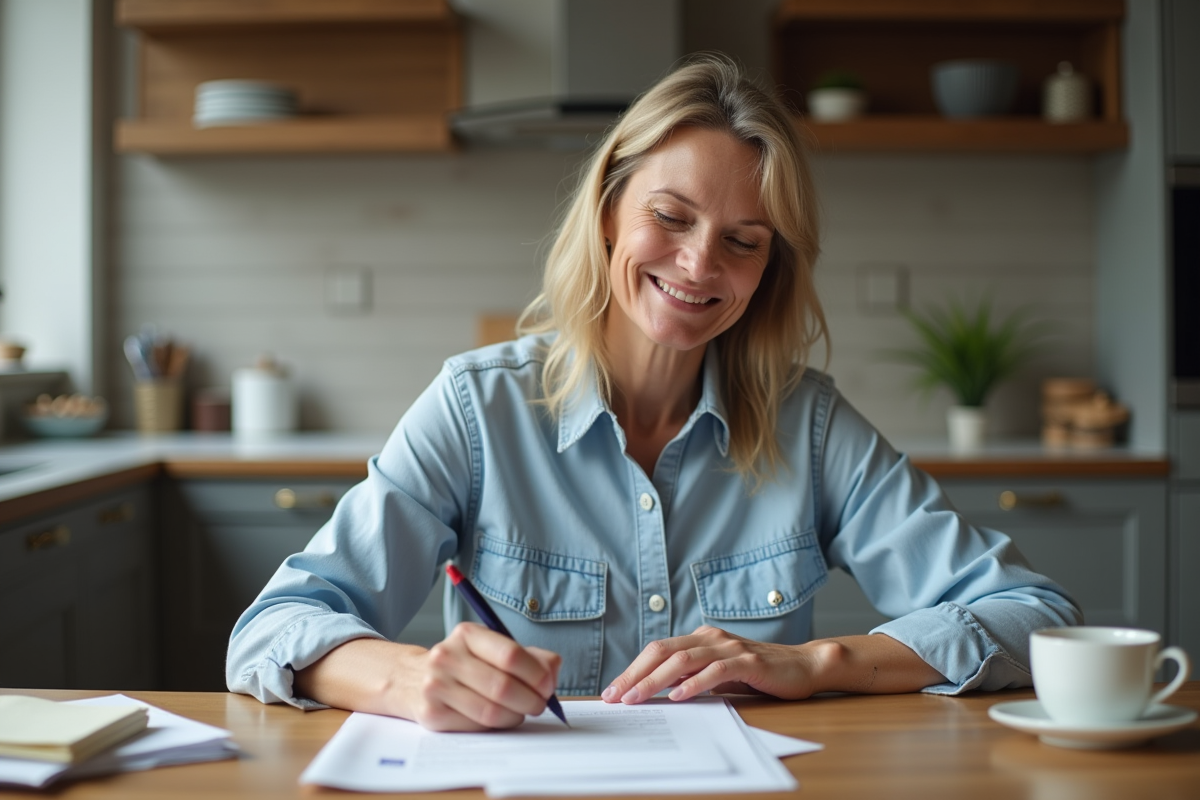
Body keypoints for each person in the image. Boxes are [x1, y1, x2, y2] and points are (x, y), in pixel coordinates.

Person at [227, 55, 1081, 731]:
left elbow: (1035, 617)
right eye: (671, 219)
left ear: (767, 271)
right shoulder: (475, 409)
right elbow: (272, 631)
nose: (700, 264)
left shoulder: (810, 426)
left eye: (742, 241)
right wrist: (409, 677)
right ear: (607, 213)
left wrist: (818, 664)